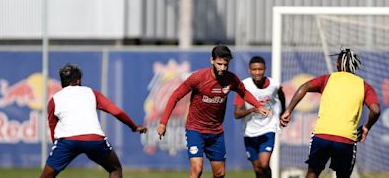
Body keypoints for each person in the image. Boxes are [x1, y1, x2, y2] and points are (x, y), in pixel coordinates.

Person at [156, 45, 271, 178]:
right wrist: (163, 122)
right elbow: (175, 96)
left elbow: (244, 92)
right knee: (197, 169)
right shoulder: (198, 78)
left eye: (225, 64)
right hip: (195, 130)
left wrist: (258, 105)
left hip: (216, 133)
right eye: (219, 64)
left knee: (220, 173)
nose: (222, 68)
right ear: (212, 61)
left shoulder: (231, 79)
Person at [280, 48, 381, 178]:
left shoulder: (327, 79)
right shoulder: (364, 86)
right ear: (355, 66)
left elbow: (304, 87)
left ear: (337, 64)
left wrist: (288, 110)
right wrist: (366, 127)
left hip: (321, 135)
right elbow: (376, 110)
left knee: (312, 173)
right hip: (346, 138)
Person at [40, 64, 147, 178]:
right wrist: (133, 126)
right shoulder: (91, 93)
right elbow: (117, 112)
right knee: (115, 169)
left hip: (67, 142)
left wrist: (58, 150)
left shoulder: (54, 100)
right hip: (94, 139)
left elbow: (53, 127)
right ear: (78, 80)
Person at [234, 56, 285, 178]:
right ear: (249, 70)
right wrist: (253, 109)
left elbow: (281, 95)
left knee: (264, 164)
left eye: (260, 69)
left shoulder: (274, 85)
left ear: (265, 69)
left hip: (268, 127)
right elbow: (237, 114)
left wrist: (283, 113)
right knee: (258, 168)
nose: (257, 72)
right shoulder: (243, 86)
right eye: (254, 69)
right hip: (249, 131)